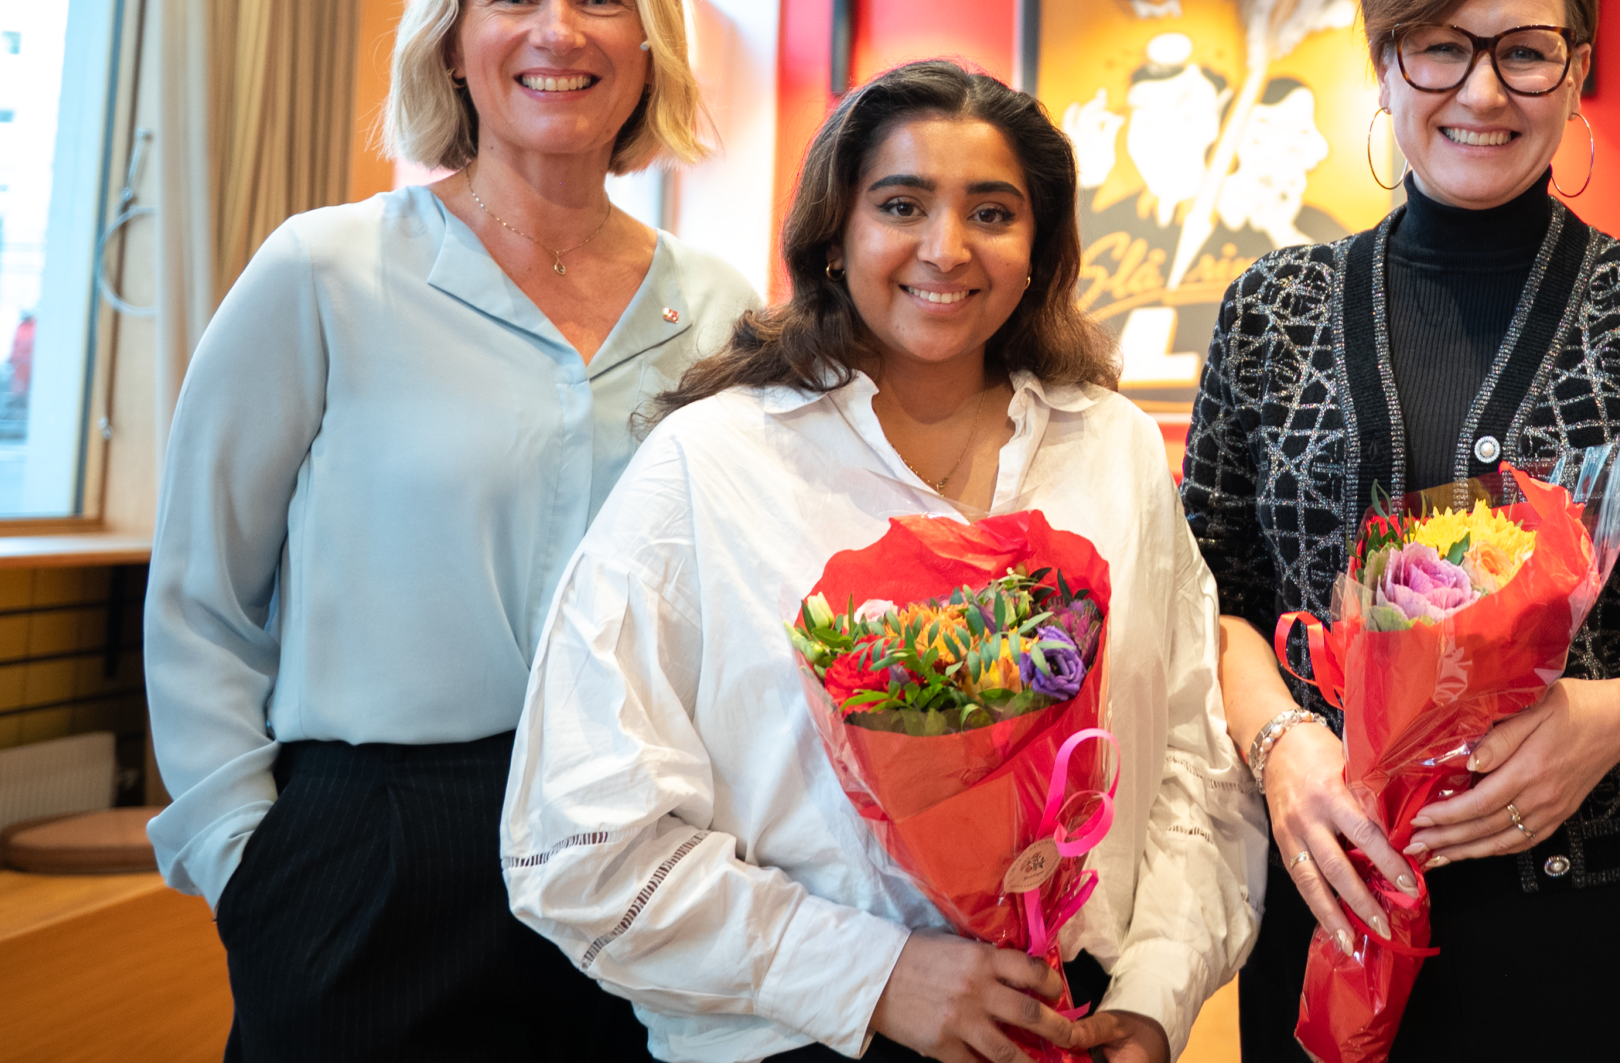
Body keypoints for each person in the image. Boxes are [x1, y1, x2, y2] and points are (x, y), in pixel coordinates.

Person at [502, 59, 1261, 1063]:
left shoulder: (1111, 448)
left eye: (992, 212)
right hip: (798, 1035)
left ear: (1040, 249)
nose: (945, 249)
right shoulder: (711, 464)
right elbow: (578, 846)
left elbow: (1188, 759)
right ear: (835, 236)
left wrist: (1156, 995)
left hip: (1068, 1021)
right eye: (901, 204)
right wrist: (873, 975)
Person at [143, 0, 760, 1061]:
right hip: (372, 847)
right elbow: (200, 594)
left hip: (641, 843)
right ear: (453, 41)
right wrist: (247, 865)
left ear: (646, 44)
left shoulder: (717, 306)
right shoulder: (324, 272)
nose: (557, 32)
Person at [1184, 0, 1620, 1060]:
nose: (1480, 91)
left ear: (1574, 71)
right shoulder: (1274, 311)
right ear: (1383, 63)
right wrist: (1283, 748)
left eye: (1524, 52)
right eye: (1438, 49)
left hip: (1619, 939)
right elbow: (1208, 603)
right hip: (1338, 915)